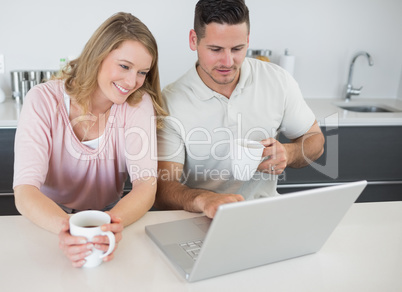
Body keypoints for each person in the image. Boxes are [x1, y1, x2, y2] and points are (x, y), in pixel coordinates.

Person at [13, 12, 166, 268]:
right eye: (125, 66)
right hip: (49, 220)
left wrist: (106, 226)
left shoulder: (138, 104)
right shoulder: (42, 100)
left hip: (110, 214)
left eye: (142, 72)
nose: (132, 82)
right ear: (98, 56)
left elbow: (145, 187)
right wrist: (69, 228)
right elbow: (25, 191)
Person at [155, 0, 325, 218]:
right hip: (201, 218)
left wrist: (289, 153)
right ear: (193, 40)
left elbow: (315, 141)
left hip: (266, 214)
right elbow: (163, 189)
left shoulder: (276, 80)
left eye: (237, 48)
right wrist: (204, 200)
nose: (228, 61)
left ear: (247, 40)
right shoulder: (170, 101)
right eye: (215, 49)